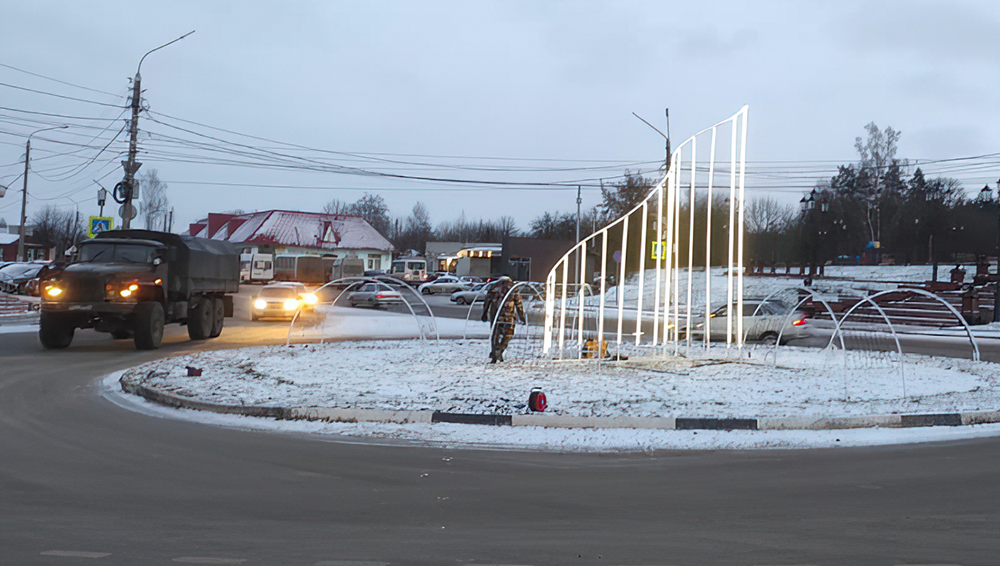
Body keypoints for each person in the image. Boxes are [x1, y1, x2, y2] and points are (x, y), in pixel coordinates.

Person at [481, 276, 525, 363]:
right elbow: (519, 303)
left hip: (495, 315)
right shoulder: (513, 287)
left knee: (495, 335)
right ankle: (500, 350)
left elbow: (487, 302)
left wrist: (484, 314)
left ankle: (495, 353)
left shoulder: (493, 287)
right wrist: (521, 316)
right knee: (508, 334)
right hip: (508, 316)